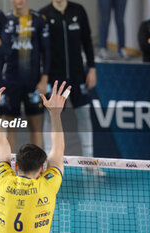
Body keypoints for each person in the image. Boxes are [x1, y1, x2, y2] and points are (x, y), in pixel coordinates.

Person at [0, 77, 69, 232]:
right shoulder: (47, 186)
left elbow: (0, 142)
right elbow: (59, 148)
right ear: (42, 170)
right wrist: (55, 114)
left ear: (16, 165)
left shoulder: (3, 180)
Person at [39, 0, 104, 176]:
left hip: (77, 76)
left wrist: (91, 68)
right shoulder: (43, 14)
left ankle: (89, 162)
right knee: (50, 117)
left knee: (84, 115)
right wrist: (43, 77)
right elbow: (41, 49)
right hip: (54, 77)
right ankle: (47, 162)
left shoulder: (79, 10)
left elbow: (87, 41)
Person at [0, 0, 50, 152]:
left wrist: (44, 79)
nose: (19, 1)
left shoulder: (38, 19)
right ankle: (6, 168)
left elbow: (47, 51)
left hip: (33, 83)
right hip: (10, 83)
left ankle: (36, 169)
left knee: (35, 126)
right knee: (9, 127)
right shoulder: (5, 20)